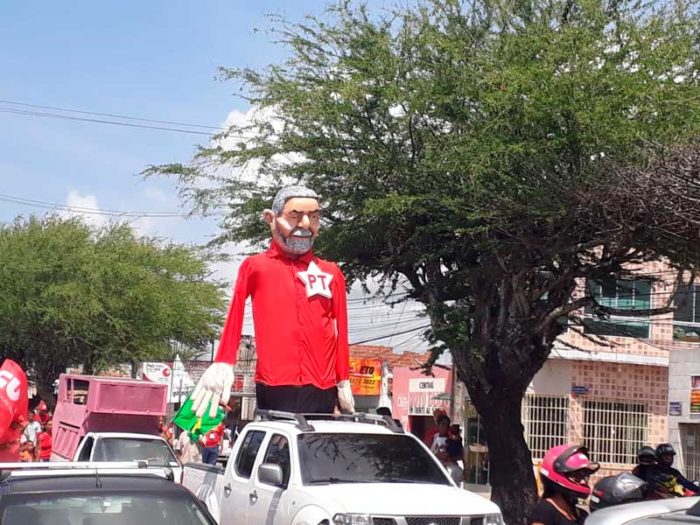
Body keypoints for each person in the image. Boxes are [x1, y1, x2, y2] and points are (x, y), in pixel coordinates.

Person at [191, 186, 354, 417]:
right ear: (271, 219)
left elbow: (341, 330)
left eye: (314, 217)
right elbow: (235, 311)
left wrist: (342, 379)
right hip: (275, 383)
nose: (305, 225)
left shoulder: (331, 272)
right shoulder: (256, 267)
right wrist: (224, 361)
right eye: (295, 217)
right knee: (277, 446)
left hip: (322, 385)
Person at [528, 444, 600, 525]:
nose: (583, 481)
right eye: (577, 476)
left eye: (585, 476)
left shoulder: (581, 515)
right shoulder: (544, 512)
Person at [430, 415, 464, 485]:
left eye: (447, 425)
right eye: (443, 424)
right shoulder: (432, 438)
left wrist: (449, 458)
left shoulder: (453, 440)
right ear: (438, 425)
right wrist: (437, 455)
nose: (445, 427)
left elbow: (460, 455)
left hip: (450, 469)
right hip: (436, 468)